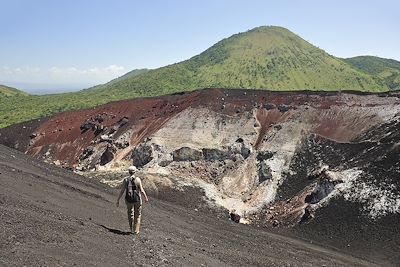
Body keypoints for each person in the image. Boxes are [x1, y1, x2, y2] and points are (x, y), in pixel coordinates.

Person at [116, 166, 149, 235]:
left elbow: (122, 191)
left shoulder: (126, 180)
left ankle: (131, 229)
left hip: (128, 199)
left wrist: (118, 199)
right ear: (135, 172)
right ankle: (136, 230)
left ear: (129, 172)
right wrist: (145, 198)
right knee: (138, 214)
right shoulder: (138, 180)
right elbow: (141, 190)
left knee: (130, 213)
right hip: (137, 200)